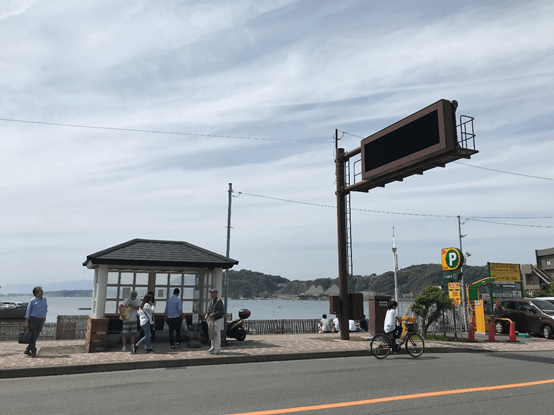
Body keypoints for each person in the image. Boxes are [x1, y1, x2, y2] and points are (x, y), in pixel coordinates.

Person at [23, 286, 48, 358]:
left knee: (36, 336)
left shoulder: (44, 300)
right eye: (41, 291)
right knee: (33, 335)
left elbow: (45, 309)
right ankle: (34, 352)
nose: (42, 292)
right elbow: (28, 311)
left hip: (41, 320)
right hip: (33, 320)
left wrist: (44, 317)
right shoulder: (32, 301)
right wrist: (27, 321)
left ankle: (27, 349)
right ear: (36, 293)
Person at [205, 289, 224, 354]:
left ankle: (217, 349)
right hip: (212, 320)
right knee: (212, 333)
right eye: (210, 293)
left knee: (217, 334)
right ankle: (212, 347)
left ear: (215, 294)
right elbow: (209, 309)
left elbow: (221, 311)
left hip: (218, 319)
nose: (211, 294)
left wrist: (213, 314)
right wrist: (207, 314)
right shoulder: (211, 301)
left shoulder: (219, 301)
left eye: (212, 293)